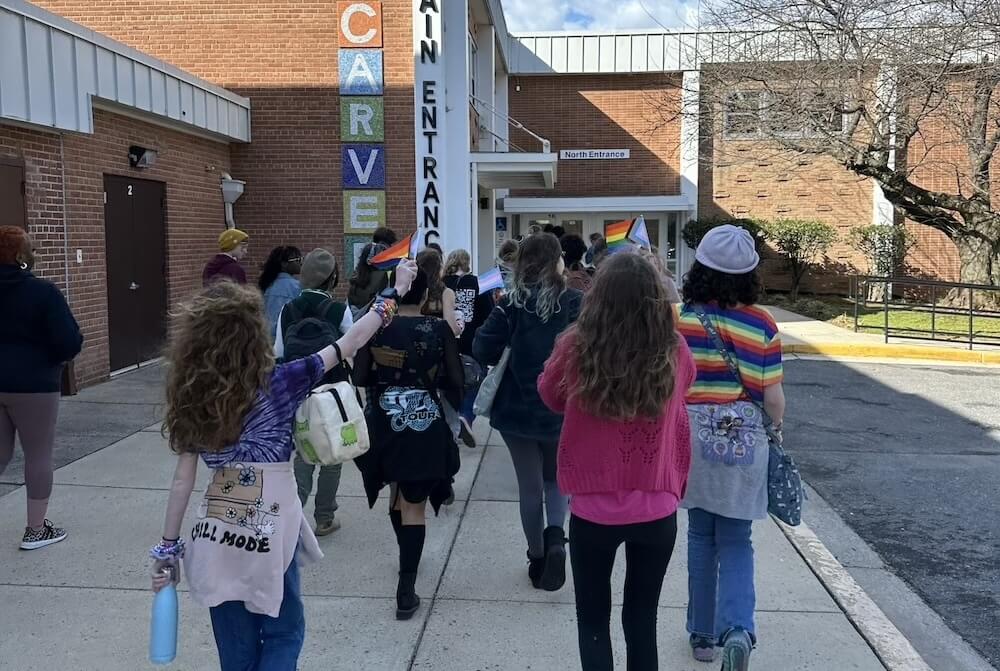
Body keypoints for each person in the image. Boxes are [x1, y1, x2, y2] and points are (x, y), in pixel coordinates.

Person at [150, 261, 417, 670]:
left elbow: (182, 480)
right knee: (284, 631)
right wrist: (394, 291)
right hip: (272, 530)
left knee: (235, 647)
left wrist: (168, 548)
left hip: (215, 531)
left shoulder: (192, 396)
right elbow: (351, 342)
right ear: (253, 335)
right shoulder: (282, 380)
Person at [539, 251, 696, 671]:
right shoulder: (674, 348)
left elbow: (550, 395)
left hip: (593, 510)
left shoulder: (577, 344)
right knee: (642, 619)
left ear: (599, 296)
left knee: (593, 620)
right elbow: (686, 388)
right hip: (657, 508)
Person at [676, 225, 786, 671]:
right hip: (744, 438)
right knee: (738, 539)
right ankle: (738, 628)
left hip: (693, 437)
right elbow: (773, 398)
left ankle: (702, 636)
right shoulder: (764, 325)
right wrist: (776, 431)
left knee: (701, 536)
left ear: (700, 267)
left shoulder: (681, 318)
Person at [353, 267, 464, 621]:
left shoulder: (378, 327)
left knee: (395, 492)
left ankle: (406, 556)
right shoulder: (438, 328)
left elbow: (360, 376)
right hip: (424, 421)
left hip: (384, 420)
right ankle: (406, 588)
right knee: (413, 502)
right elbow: (455, 381)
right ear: (425, 295)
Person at [473, 233, 582, 592]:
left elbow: (482, 349)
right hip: (562, 407)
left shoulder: (510, 304)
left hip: (516, 408)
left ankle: (537, 557)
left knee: (529, 485)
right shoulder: (573, 302)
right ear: (557, 261)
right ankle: (556, 539)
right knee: (555, 480)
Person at [0, 226, 83, 550]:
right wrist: (55, 361)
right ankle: (36, 530)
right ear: (22, 256)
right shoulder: (43, 293)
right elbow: (68, 340)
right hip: (35, 385)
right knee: (37, 455)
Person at [275, 249, 352, 536]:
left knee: (303, 454)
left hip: (297, 390)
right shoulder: (338, 309)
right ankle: (324, 517)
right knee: (332, 453)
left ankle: (292, 517)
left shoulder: (289, 309)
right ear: (332, 279)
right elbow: (351, 346)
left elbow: (279, 353)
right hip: (333, 391)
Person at [443, 249, 495, 446]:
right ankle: (466, 415)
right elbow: (488, 316)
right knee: (477, 378)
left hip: (447, 341)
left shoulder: (442, 285)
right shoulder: (479, 284)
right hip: (473, 343)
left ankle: (451, 425)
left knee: (448, 382)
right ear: (467, 263)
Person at [259, 246, 302, 339]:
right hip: (286, 339)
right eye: (297, 259)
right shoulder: (297, 287)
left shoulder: (266, 285)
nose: (301, 262)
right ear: (284, 264)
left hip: (264, 338)